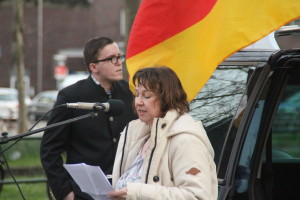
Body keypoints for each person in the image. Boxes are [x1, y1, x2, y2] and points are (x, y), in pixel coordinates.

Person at [40, 36, 137, 200]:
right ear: (94, 67)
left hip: (124, 191)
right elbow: (49, 150)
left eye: (119, 57)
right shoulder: (71, 96)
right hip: (84, 194)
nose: (118, 62)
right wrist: (65, 193)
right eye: (111, 58)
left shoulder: (129, 93)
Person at [108, 66, 218, 200]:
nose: (138, 102)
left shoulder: (186, 140)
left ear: (166, 98)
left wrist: (138, 193)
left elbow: (196, 196)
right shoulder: (135, 133)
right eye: (137, 94)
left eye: (147, 96)